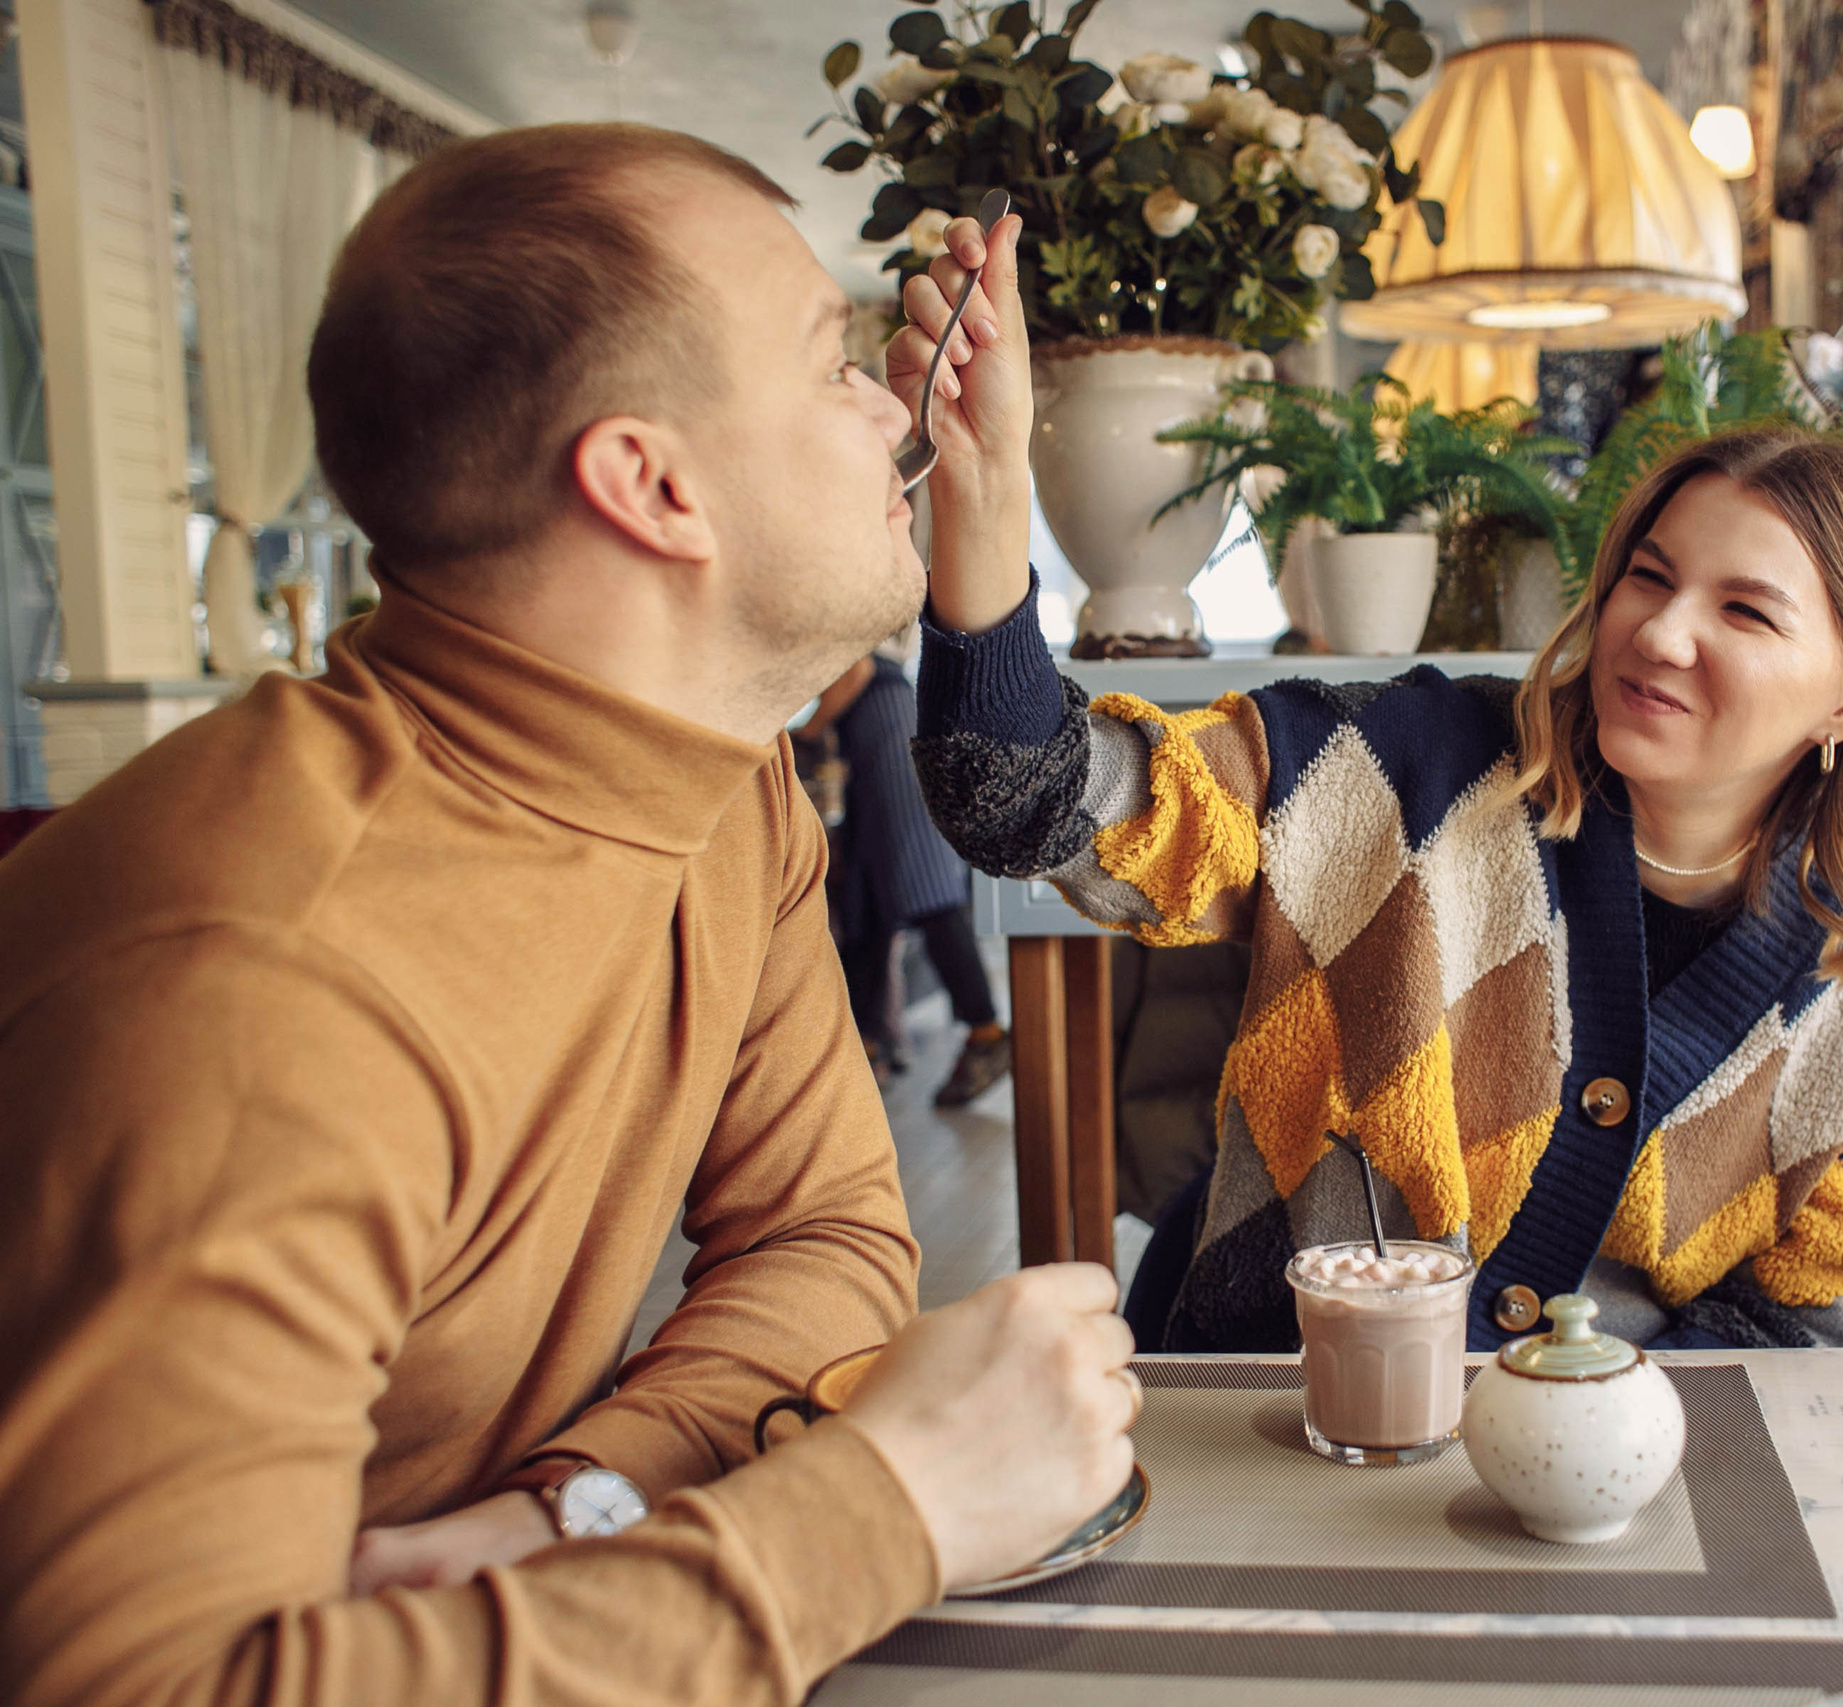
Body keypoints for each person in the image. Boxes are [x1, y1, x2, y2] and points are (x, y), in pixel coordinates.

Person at [0, 125, 1138, 1707]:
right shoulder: (260, 978)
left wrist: (571, 1504)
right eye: (831, 363)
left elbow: (828, 1230)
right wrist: (888, 1505)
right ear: (654, 486)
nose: (894, 407)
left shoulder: (719, 790)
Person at [894, 212, 1843, 1353]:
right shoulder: (1402, 767)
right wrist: (987, 490)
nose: (1659, 633)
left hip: (1605, 1488)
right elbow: (1025, 796)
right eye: (1648, 578)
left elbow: (1799, 1325)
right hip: (1281, 1421)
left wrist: (1578, 1442)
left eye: (1744, 611)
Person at [795, 652, 1013, 1104]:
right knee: (866, 900)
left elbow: (855, 670)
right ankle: (869, 1044)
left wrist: (808, 733)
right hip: (876, 746)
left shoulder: (842, 606)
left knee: (928, 890)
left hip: (890, 743)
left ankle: (985, 1033)